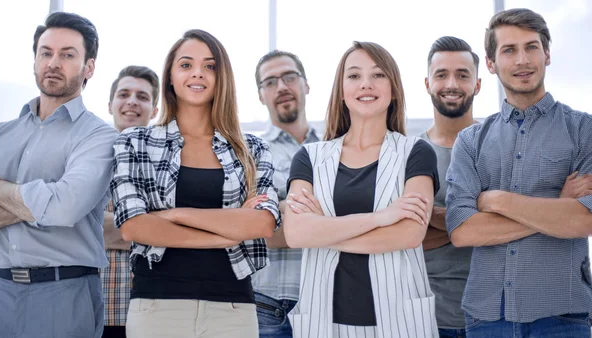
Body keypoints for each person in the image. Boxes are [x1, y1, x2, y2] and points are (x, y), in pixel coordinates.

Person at [110, 29, 280, 338]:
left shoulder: (253, 149)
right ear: (171, 78)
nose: (198, 73)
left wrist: (173, 215)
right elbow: (133, 227)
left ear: (222, 77)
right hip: (156, 308)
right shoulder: (137, 142)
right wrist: (226, 234)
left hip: (233, 311)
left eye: (210, 66)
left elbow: (262, 224)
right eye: (186, 65)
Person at [446, 8, 592, 337]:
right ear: (491, 63)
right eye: (509, 50)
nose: (522, 60)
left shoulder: (584, 130)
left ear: (547, 54)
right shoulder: (470, 141)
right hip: (486, 318)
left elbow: (585, 219)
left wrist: (495, 200)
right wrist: (558, 204)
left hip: (562, 317)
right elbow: (463, 231)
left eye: (531, 47)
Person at [285, 41, 439, 338]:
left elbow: (408, 234)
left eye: (378, 75)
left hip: (400, 322)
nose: (366, 84)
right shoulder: (310, 158)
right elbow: (296, 233)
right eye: (354, 76)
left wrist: (323, 231)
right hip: (323, 321)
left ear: (393, 88)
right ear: (341, 91)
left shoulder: (416, 153)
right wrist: (380, 218)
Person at [0, 12, 117, 338]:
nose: (53, 62)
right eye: (46, 52)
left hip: (64, 293)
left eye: (67, 54)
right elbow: (54, 204)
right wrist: (42, 196)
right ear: (35, 60)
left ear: (89, 67)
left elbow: (64, 208)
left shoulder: (99, 137)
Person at [252, 50, 320, 338]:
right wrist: (328, 218)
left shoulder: (337, 148)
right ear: (260, 95)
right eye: (270, 82)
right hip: (267, 306)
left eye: (289, 77)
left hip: (327, 301)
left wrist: (284, 208)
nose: (281, 87)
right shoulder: (249, 150)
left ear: (306, 85)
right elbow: (258, 228)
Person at [421, 36, 480, 338]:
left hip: (495, 317)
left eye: (462, 74)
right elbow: (405, 237)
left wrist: (433, 215)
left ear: (478, 85)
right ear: (427, 83)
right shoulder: (408, 153)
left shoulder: (502, 145)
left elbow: (515, 228)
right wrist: (477, 213)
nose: (451, 84)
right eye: (441, 74)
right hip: (428, 319)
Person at [101, 65, 160, 338]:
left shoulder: (167, 165)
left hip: (153, 310)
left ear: (155, 110)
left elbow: (176, 237)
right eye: (124, 94)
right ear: (111, 104)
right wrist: (148, 226)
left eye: (142, 96)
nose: (132, 101)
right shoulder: (87, 158)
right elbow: (74, 224)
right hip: (96, 308)